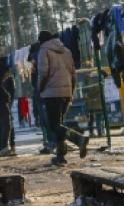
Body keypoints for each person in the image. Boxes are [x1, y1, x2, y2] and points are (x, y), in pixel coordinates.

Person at [36, 30, 89, 166]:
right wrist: (71, 92)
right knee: (58, 124)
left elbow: (43, 72)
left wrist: (40, 88)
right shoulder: (67, 51)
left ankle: (79, 139)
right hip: (66, 92)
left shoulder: (44, 50)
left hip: (51, 93)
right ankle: (60, 156)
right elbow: (73, 74)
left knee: (54, 125)